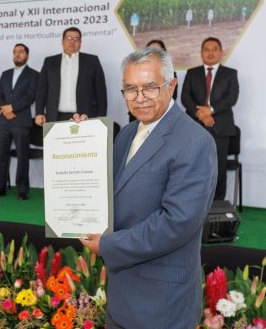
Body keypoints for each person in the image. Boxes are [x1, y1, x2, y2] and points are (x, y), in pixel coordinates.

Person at [77, 47, 217, 328]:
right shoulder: (127, 133)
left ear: (172, 86)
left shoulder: (195, 141)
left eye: (150, 87)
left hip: (162, 301)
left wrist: (108, 245)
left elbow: (176, 223)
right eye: (130, 89)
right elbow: (107, 190)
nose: (139, 98)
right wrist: (80, 140)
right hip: (122, 293)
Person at [181, 36, 239, 201]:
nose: (210, 53)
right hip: (194, 126)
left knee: (218, 167)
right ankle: (193, 202)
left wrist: (210, 111)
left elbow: (231, 98)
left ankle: (217, 205)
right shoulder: (192, 73)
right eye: (207, 49)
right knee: (193, 166)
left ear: (221, 52)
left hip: (221, 126)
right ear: (201, 53)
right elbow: (186, 97)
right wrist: (200, 113)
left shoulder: (230, 73)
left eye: (215, 49)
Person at [0, 44, 39, 201]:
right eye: (15, 52)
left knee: (22, 156)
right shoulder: (5, 74)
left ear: (27, 56)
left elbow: (30, 97)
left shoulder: (34, 75)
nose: (18, 55)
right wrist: (6, 110)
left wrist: (12, 108)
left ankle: (22, 190)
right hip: (4, 122)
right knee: (1, 156)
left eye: (21, 52)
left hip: (21, 121)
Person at [35, 27, 107, 125]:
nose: (72, 42)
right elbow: (41, 90)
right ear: (62, 41)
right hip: (55, 116)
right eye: (68, 38)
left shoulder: (92, 61)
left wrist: (101, 117)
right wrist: (39, 112)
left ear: (80, 42)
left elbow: (101, 92)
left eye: (76, 39)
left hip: (85, 117)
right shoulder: (50, 62)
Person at [129, 39, 178, 122]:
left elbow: (172, 96)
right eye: (150, 51)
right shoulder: (135, 73)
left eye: (157, 51)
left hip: (161, 118)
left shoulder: (170, 74)